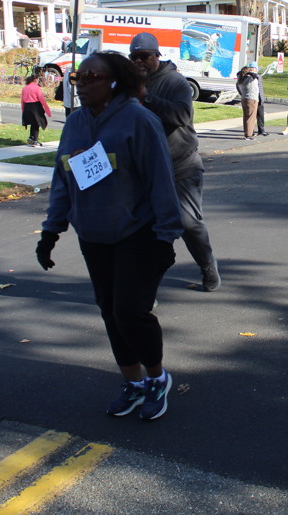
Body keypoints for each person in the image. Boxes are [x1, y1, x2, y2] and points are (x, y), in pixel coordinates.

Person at [35, 52, 182, 421]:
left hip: (138, 232)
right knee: (110, 313)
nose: (81, 84)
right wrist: (51, 231)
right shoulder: (76, 122)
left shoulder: (139, 120)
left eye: (91, 77)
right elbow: (63, 178)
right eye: (77, 78)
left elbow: (161, 181)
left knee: (130, 311)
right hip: (93, 234)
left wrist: (166, 236)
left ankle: (157, 378)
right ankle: (133, 383)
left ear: (115, 82)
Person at [128, 32, 221, 291]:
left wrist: (146, 97)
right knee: (144, 231)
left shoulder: (175, 82)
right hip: (146, 171)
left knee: (188, 223)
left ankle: (208, 266)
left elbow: (181, 116)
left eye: (144, 56)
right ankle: (146, 290)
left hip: (181, 166)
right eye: (134, 57)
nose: (139, 61)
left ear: (157, 55)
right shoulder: (128, 84)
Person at [20, 71, 51, 146]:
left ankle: (32, 137)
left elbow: (22, 101)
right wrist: (47, 110)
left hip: (27, 107)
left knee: (33, 123)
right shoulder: (36, 88)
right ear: (36, 80)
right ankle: (34, 139)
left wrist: (23, 110)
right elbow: (42, 99)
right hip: (35, 107)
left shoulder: (25, 88)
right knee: (37, 123)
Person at [236, 64, 260, 140]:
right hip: (252, 99)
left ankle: (247, 132)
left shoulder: (241, 80)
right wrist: (250, 73)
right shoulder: (250, 79)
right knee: (251, 117)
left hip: (244, 98)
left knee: (246, 116)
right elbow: (255, 75)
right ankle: (249, 135)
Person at [249, 61, 269, 136]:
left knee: (260, 115)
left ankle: (261, 130)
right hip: (252, 99)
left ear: (256, 69)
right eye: (251, 68)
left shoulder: (259, 77)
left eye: (254, 68)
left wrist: (262, 98)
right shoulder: (248, 77)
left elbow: (261, 88)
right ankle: (251, 131)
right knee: (252, 116)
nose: (252, 70)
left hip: (259, 98)